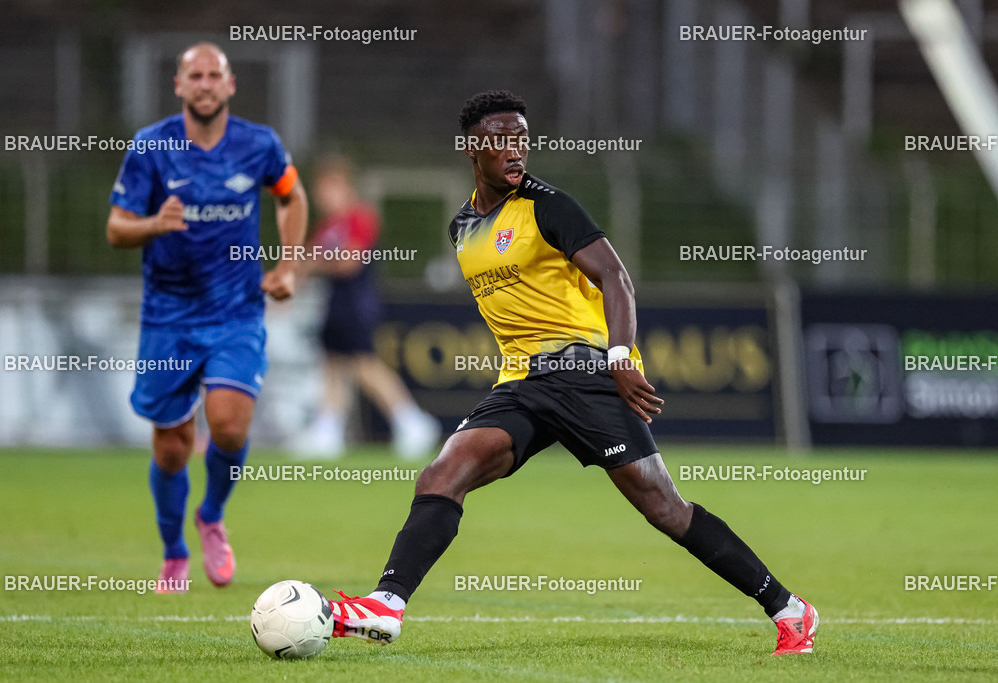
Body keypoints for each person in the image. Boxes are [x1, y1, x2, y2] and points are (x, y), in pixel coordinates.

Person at [326, 91, 818, 656]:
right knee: (442, 473)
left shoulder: (549, 206)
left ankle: (789, 609)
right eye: (502, 140)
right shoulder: (462, 227)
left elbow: (616, 278)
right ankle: (386, 605)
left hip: (584, 370)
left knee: (663, 507)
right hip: (522, 382)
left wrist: (618, 357)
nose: (516, 150)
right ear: (471, 148)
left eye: (523, 138)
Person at [105, 42, 307, 592]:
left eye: (213, 75)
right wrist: (153, 224)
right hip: (168, 316)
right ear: (178, 85)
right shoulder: (152, 146)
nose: (204, 84)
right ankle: (174, 551)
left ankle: (212, 516)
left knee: (230, 425)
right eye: (194, 75)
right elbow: (117, 228)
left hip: (236, 311)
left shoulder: (259, 144)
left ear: (230, 84)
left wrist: (288, 265)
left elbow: (291, 197)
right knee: (172, 446)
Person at [289, 157, 439, 460]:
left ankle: (412, 422)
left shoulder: (360, 217)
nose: (321, 197)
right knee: (332, 364)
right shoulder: (328, 226)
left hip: (357, 302)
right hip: (334, 302)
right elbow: (303, 261)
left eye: (326, 188)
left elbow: (349, 262)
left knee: (363, 364)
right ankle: (328, 430)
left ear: (343, 186)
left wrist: (316, 264)